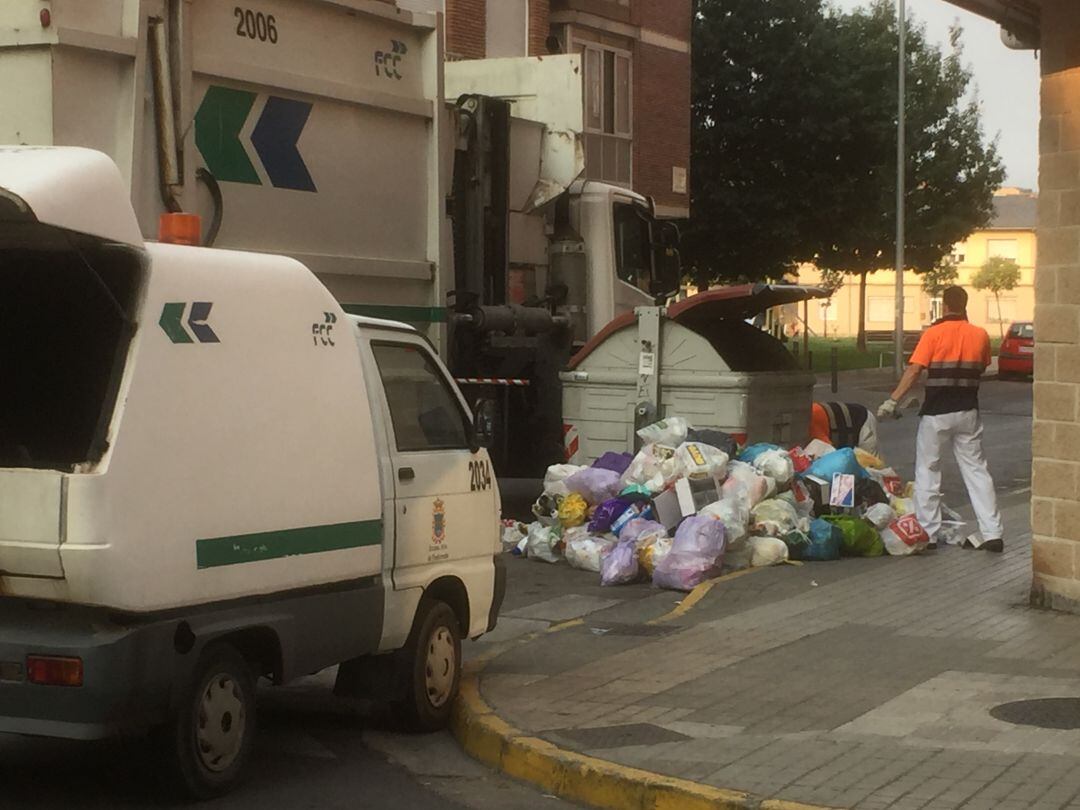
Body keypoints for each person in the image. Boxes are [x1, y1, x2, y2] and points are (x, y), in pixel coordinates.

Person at [877, 286, 1004, 552]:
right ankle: (992, 533)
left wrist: (893, 400)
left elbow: (914, 370)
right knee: (977, 471)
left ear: (945, 306)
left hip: (936, 414)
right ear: (965, 305)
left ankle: (929, 533)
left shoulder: (933, 334)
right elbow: (981, 365)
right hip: (968, 412)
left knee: (928, 471)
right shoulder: (979, 334)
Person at [810, 401, 880, 456]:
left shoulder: (811, 424)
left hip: (861, 419)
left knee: (870, 463)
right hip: (840, 427)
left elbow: (828, 452)